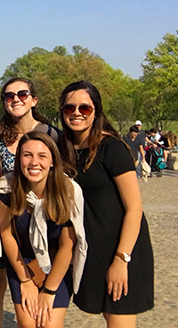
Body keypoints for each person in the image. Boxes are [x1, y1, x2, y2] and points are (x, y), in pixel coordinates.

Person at [59, 81, 154, 327]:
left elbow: (134, 208)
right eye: (69, 108)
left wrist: (122, 259)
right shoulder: (64, 149)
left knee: (119, 320)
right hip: (90, 248)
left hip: (122, 247)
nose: (76, 113)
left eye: (84, 108)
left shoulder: (111, 148)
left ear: (96, 111)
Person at [0, 77, 59, 328]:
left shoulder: (51, 134)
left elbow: (62, 179)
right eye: (9, 95)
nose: (16, 99)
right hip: (4, 220)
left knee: (37, 300)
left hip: (43, 226)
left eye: (22, 93)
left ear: (33, 99)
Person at [0, 131, 86, 328]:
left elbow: (67, 246)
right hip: (22, 261)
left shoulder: (68, 191)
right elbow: (6, 234)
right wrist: (25, 280)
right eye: (27, 155)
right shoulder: (7, 188)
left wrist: (49, 291)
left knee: (49, 323)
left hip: (56, 262)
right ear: (19, 158)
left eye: (42, 156)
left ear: (53, 161)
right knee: (28, 323)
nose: (34, 162)